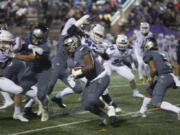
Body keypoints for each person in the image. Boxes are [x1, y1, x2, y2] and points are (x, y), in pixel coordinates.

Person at [63, 34, 117, 126]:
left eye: (66, 45)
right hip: (91, 81)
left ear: (73, 43)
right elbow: (78, 73)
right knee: (86, 105)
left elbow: (90, 66)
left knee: (91, 100)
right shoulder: (69, 59)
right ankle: (105, 117)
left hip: (101, 77)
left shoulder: (83, 49)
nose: (65, 48)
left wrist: (76, 72)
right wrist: (73, 77)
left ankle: (109, 108)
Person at [133, 37, 180, 119]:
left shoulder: (148, 54)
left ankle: (178, 110)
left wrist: (150, 79)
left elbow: (153, 70)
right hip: (171, 77)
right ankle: (142, 112)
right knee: (149, 91)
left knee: (156, 103)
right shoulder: (164, 52)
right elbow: (177, 67)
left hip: (163, 78)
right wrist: (175, 80)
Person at [0, 30, 38, 122]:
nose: (7, 44)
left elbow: (22, 43)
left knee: (18, 90)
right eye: (5, 42)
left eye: (8, 42)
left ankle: (17, 114)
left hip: (2, 77)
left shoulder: (13, 44)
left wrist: (32, 46)